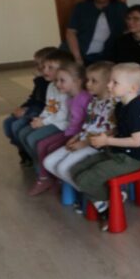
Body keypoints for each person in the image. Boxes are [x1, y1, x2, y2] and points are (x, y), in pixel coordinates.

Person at [70, 63, 140, 230]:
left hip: (132, 159)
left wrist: (107, 141)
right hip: (117, 152)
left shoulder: (136, 110)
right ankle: (107, 203)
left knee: (85, 180)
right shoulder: (121, 105)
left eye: (115, 82)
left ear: (133, 88)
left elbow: (137, 141)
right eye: (110, 81)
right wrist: (105, 136)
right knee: (75, 170)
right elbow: (120, 129)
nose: (109, 85)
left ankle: (109, 207)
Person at [42, 61, 115, 192]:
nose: (88, 84)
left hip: (98, 147)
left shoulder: (114, 104)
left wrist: (84, 143)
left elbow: (112, 131)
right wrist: (76, 137)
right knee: (48, 162)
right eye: (88, 80)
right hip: (82, 140)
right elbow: (87, 125)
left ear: (107, 83)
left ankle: (101, 196)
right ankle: (89, 191)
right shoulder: (94, 101)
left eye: (94, 81)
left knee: (63, 168)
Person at [28, 61, 91, 195]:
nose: (57, 84)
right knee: (42, 144)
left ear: (77, 81)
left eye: (62, 81)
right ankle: (47, 177)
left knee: (48, 146)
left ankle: (52, 178)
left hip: (78, 135)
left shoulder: (85, 98)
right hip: (71, 132)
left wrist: (78, 138)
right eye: (57, 80)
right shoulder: (71, 98)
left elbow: (88, 123)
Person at [13, 49, 74, 165]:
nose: (44, 70)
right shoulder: (51, 86)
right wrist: (40, 118)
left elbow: (63, 115)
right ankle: (39, 164)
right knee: (23, 133)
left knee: (32, 138)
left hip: (62, 124)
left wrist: (43, 122)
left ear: (63, 70)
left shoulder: (66, 89)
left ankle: (43, 168)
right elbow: (49, 106)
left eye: (50, 68)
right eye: (44, 67)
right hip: (51, 120)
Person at [3, 46, 58, 163]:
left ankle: (28, 153)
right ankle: (23, 149)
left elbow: (46, 105)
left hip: (41, 111)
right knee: (7, 123)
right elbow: (33, 98)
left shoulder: (48, 82)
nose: (38, 68)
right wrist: (23, 107)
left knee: (17, 125)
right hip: (35, 108)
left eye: (41, 65)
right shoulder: (41, 80)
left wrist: (27, 112)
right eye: (36, 64)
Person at [64, 0, 128, 64]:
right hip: (80, 55)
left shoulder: (120, 8)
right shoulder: (81, 8)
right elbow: (70, 32)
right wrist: (77, 58)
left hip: (107, 57)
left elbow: (127, 30)